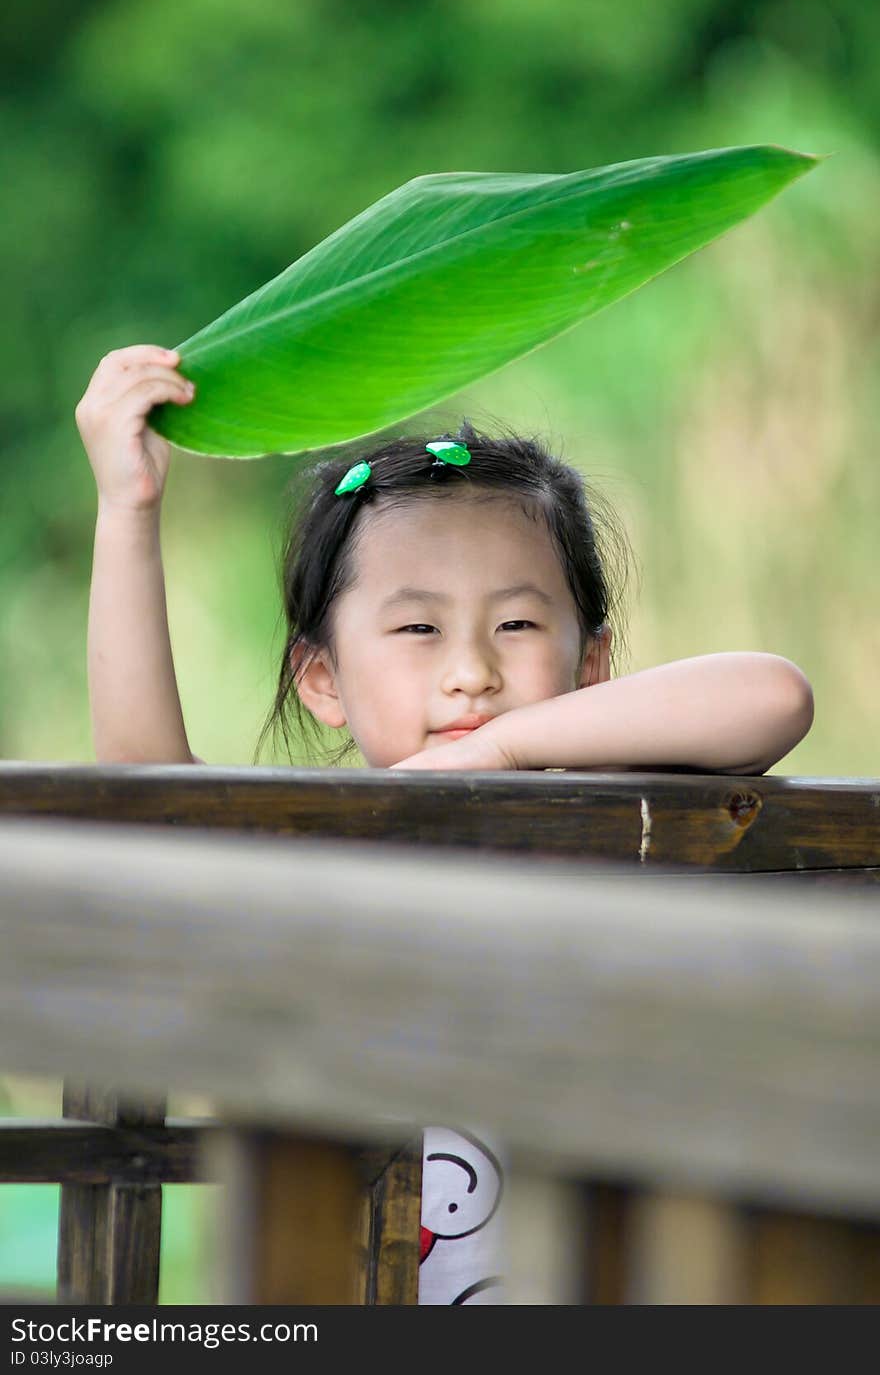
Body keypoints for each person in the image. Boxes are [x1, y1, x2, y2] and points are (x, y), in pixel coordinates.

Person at [76, 344, 814, 1302]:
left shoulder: (615, 820)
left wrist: (501, 753)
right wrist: (128, 511)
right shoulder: (319, 843)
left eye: (515, 625)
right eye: (419, 629)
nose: (471, 670)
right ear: (323, 678)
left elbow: (771, 695)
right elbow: (146, 790)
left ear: (589, 665)